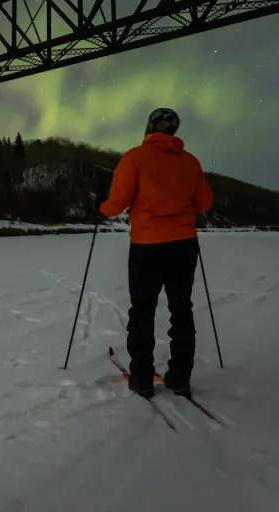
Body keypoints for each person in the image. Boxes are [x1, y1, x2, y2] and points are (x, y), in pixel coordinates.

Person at [98, 107, 213, 399]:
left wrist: (101, 207)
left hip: (147, 247)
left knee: (142, 311)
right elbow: (205, 203)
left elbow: (118, 201)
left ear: (149, 127)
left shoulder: (134, 158)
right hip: (184, 246)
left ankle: (141, 379)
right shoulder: (190, 162)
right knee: (181, 310)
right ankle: (180, 377)